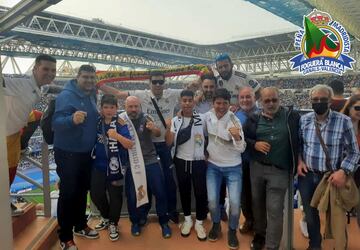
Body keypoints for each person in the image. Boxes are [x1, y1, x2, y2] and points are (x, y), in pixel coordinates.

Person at [99, 71, 180, 222]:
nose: (157, 84)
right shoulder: (136, 101)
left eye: (160, 82)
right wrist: (99, 84)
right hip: (140, 153)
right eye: (154, 81)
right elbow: (117, 93)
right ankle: (141, 216)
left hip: (162, 144)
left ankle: (171, 212)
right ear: (149, 83)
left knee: (167, 182)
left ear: (164, 83)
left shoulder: (171, 94)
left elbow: (190, 94)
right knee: (141, 187)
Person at [298, 84, 360, 250]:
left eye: (323, 99)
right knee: (310, 216)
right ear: (310, 101)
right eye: (315, 99)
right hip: (308, 175)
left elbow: (354, 152)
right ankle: (315, 245)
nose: (319, 102)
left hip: (332, 177)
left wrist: (343, 171)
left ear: (330, 101)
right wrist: (299, 161)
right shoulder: (304, 120)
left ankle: (340, 245)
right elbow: (299, 145)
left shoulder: (344, 121)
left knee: (337, 216)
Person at [243, 87, 300, 250]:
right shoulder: (253, 119)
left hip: (279, 170)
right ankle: (260, 235)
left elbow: (301, 139)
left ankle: (272, 245)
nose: (271, 103)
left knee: (274, 208)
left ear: (279, 99)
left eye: (274, 100)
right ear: (260, 102)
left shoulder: (292, 117)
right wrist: (255, 144)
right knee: (258, 205)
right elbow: (243, 140)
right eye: (267, 100)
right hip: (257, 168)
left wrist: (299, 160)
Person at [2, 54, 56, 216]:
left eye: (53, 70)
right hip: (6, 134)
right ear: (35, 68)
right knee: (9, 171)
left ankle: (23, 145)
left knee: (38, 115)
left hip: (16, 129)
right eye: (45, 69)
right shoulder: (21, 83)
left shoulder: (38, 86)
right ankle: (4, 204)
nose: (50, 73)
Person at [52, 65, 99, 250]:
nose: (89, 80)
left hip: (86, 153)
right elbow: (56, 123)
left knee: (81, 192)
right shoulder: (66, 95)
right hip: (68, 153)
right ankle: (65, 237)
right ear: (77, 77)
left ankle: (80, 225)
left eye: (92, 77)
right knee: (68, 194)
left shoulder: (91, 94)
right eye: (85, 77)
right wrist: (71, 119)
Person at [123, 96, 172, 238]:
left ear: (140, 107)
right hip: (132, 162)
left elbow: (158, 133)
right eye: (130, 107)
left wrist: (154, 128)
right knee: (133, 195)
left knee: (160, 191)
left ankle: (164, 222)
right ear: (125, 107)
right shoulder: (121, 120)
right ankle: (136, 222)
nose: (133, 109)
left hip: (150, 160)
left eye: (136, 106)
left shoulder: (146, 117)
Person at [205, 88, 246, 250]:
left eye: (225, 103)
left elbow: (242, 148)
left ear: (230, 104)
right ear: (213, 103)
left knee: (235, 203)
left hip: (233, 167)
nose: (221, 106)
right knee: (213, 201)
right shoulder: (207, 116)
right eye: (218, 103)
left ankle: (232, 230)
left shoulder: (235, 121)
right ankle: (216, 225)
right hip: (213, 166)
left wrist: (236, 137)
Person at [90, 94, 133, 242]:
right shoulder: (97, 122)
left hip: (116, 168)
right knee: (95, 194)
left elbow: (129, 144)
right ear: (101, 108)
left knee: (115, 197)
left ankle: (113, 224)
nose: (109, 110)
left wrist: (116, 136)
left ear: (117, 108)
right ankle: (107, 217)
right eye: (106, 107)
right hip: (98, 167)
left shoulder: (120, 123)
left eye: (112, 107)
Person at [165, 90, 207, 241]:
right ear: (180, 102)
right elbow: (169, 143)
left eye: (190, 100)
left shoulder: (202, 118)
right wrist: (168, 127)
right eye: (185, 100)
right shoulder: (175, 120)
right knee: (184, 191)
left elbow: (208, 137)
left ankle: (200, 222)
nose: (187, 103)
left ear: (194, 102)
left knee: (201, 192)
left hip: (199, 160)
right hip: (181, 160)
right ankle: (188, 219)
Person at [235, 86, 258, 234]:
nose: (245, 100)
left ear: (254, 98)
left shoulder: (263, 113)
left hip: (258, 162)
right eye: (242, 97)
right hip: (241, 161)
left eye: (248, 97)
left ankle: (260, 224)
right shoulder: (234, 115)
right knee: (244, 194)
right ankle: (249, 220)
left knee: (258, 195)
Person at [340, 95, 360, 228]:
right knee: (337, 212)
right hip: (341, 173)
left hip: (358, 174)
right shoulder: (339, 124)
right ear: (349, 107)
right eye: (358, 107)